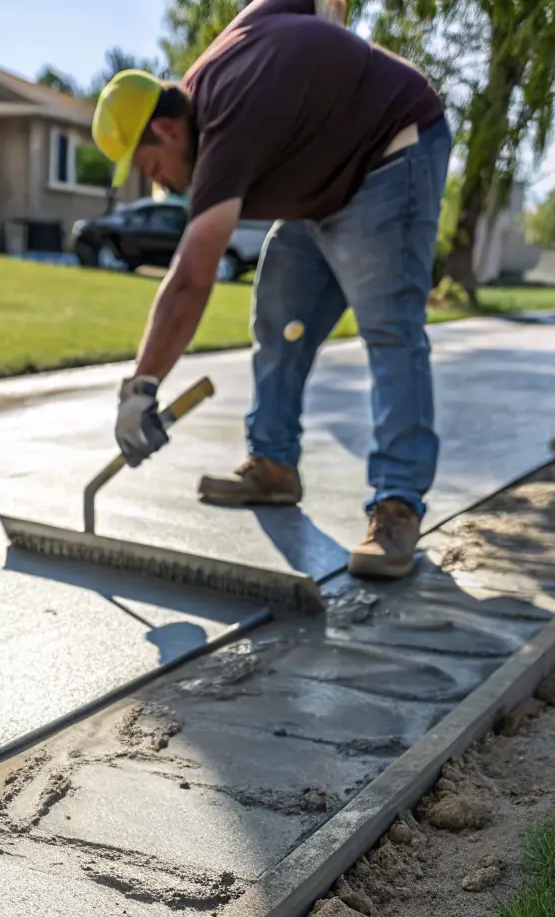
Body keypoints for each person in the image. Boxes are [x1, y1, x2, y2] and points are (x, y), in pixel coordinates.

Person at [91, 0, 451, 579]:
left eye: (147, 164)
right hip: (321, 184)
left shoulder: (225, 124)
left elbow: (190, 278)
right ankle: (274, 466)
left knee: (389, 328)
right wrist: (327, 52)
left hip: (392, 150)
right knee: (278, 315)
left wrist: (140, 389)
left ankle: (398, 504)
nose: (151, 181)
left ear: (163, 127)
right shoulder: (221, 67)